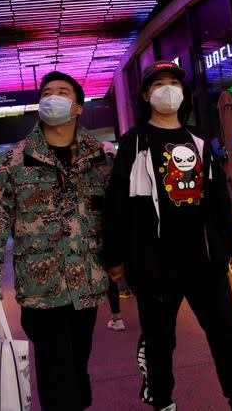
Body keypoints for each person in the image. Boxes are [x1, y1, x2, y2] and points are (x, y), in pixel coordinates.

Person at [102, 61, 232, 411]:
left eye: (173, 82)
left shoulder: (199, 141)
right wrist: (114, 257)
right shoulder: (134, 143)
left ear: (183, 91)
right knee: (160, 341)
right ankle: (162, 401)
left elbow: (219, 200)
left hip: (205, 259)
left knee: (226, 330)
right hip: (155, 264)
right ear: (146, 94)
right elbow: (117, 204)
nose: (167, 89)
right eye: (158, 84)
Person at [0, 71, 112, 411]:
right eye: (47, 92)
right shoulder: (13, 161)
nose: (53, 97)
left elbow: (118, 216)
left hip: (88, 287)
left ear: (77, 107)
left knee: (77, 368)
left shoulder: (101, 159)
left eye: (63, 92)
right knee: (57, 374)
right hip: (41, 291)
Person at [101, 141, 127, 332]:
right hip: (126, 228)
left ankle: (117, 317)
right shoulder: (123, 171)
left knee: (112, 274)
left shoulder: (97, 173)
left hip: (107, 229)